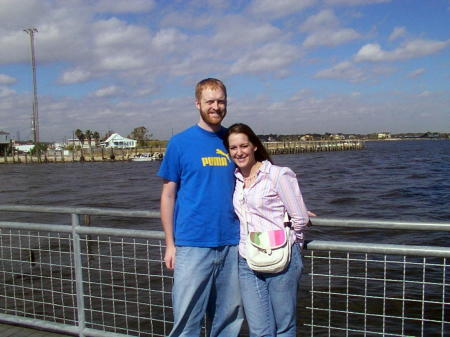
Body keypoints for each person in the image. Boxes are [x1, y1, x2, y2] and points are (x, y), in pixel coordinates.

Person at [157, 78, 243, 337]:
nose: (216, 106)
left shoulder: (234, 141)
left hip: (233, 244)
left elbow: (260, 179)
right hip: (192, 245)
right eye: (210, 101)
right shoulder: (180, 143)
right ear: (197, 104)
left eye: (221, 101)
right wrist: (170, 244)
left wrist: (291, 207)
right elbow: (168, 196)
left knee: (229, 320)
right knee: (186, 323)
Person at [224, 123, 310, 337]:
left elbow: (300, 217)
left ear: (254, 146)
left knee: (284, 327)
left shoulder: (278, 175)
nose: (239, 152)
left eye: (243, 146)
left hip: (282, 257)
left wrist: (293, 245)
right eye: (233, 148)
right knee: (259, 330)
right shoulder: (235, 179)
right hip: (247, 259)